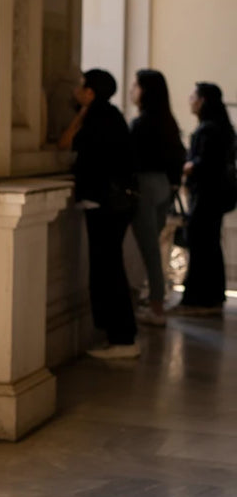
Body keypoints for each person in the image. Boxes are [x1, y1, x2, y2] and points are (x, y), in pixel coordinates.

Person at [59, 68, 140, 359]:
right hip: (115, 204)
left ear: (90, 92)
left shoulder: (96, 117)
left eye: (81, 86)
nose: (76, 90)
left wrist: (82, 114)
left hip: (105, 203)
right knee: (110, 268)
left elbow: (65, 142)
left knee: (108, 269)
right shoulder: (110, 115)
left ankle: (122, 339)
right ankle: (121, 337)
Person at [128, 70, 186, 326]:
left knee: (150, 250)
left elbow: (130, 157)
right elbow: (178, 155)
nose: (132, 90)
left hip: (146, 185)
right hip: (164, 185)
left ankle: (156, 307)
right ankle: (155, 302)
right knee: (153, 249)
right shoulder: (167, 121)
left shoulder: (142, 123)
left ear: (145, 91)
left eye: (135, 85)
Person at [173, 82, 236, 315]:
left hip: (206, 197)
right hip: (215, 197)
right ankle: (211, 299)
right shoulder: (221, 128)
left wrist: (189, 167)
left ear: (202, 101)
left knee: (201, 247)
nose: (190, 100)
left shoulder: (209, 130)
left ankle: (199, 300)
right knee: (209, 246)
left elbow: (206, 164)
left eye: (193, 96)